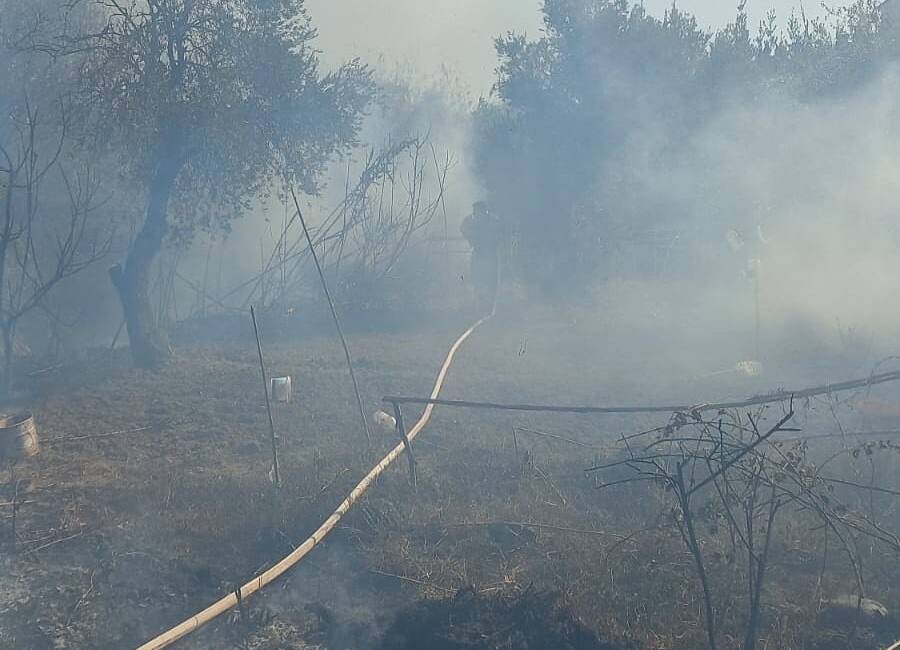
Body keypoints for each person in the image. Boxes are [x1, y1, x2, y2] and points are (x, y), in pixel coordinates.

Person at [461, 201, 502, 313]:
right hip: (478, 253)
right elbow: (463, 228)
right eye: (476, 211)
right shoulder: (471, 221)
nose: (478, 213)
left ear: (485, 210)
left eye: (480, 210)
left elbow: (500, 234)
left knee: (491, 281)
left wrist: (492, 241)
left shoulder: (494, 221)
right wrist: (472, 238)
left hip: (490, 254)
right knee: (478, 280)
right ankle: (480, 304)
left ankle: (489, 305)